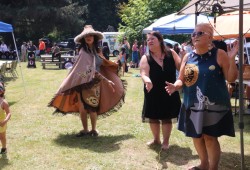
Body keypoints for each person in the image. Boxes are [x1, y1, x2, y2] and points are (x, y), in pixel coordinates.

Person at [165, 23, 238, 170]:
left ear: (210, 37)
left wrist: (231, 59)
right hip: (191, 103)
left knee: (210, 137)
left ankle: (213, 168)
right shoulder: (187, 56)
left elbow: (230, 78)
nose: (195, 36)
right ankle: (203, 164)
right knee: (196, 136)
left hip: (213, 104)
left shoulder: (219, 54)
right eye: (193, 34)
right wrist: (175, 85)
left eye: (199, 33)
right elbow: (182, 79)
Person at [48, 25, 125, 137]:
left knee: (93, 106)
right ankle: (85, 129)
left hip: (95, 82)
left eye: (90, 35)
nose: (88, 37)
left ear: (94, 37)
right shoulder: (83, 52)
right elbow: (90, 70)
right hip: (83, 82)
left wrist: (114, 63)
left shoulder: (97, 50)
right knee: (83, 107)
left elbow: (102, 63)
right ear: (83, 39)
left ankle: (93, 130)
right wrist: (106, 80)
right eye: (86, 36)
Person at [140, 31, 181, 150]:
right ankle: (156, 139)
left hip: (169, 89)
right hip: (152, 90)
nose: (150, 41)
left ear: (160, 40)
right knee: (153, 116)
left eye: (152, 39)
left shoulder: (171, 53)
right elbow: (143, 73)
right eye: (148, 40)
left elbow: (181, 67)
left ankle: (166, 141)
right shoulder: (145, 57)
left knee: (167, 117)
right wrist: (147, 81)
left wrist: (184, 58)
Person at [0, 84, 11, 154]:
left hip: (1, 122)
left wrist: (5, 121)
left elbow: (9, 113)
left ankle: (4, 148)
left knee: (2, 136)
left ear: (1, 92)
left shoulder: (3, 102)